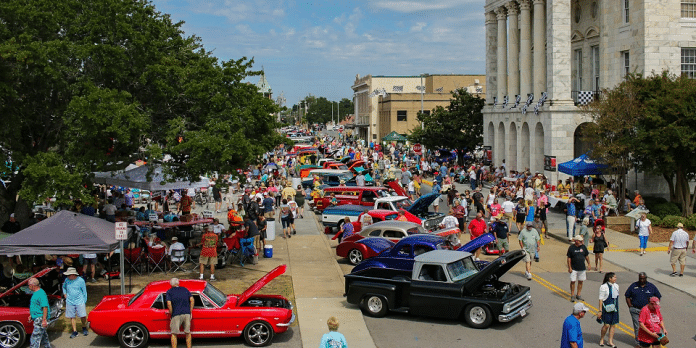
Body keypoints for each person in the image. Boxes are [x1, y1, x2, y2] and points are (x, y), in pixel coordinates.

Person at [625, 272, 662, 347]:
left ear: (646, 278)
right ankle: (639, 343)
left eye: (643, 278)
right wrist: (630, 306)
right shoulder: (633, 286)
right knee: (638, 327)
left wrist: (654, 307)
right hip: (636, 310)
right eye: (640, 278)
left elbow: (658, 296)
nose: (642, 280)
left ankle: (651, 340)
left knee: (650, 326)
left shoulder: (651, 286)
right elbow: (627, 295)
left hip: (647, 312)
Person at [166, 278, 194, 348]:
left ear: (171, 284)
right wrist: (190, 311)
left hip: (176, 314)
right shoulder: (185, 289)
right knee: (188, 332)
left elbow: (169, 303)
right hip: (186, 314)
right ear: (178, 283)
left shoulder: (169, 292)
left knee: (174, 334)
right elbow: (192, 300)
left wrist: (171, 312)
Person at [62, 267, 88, 338]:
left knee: (83, 315)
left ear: (73, 274)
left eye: (68, 275)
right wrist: (65, 294)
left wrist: (84, 301)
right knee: (72, 316)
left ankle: (84, 327)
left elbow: (84, 291)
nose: (67, 276)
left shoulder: (81, 280)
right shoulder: (66, 280)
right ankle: (75, 331)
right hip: (70, 301)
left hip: (80, 300)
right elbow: (63, 287)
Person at [598, 272, 619, 348]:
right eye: (614, 277)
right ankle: (602, 338)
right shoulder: (603, 287)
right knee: (606, 325)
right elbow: (601, 299)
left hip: (614, 308)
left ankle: (610, 341)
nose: (615, 279)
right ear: (610, 278)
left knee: (613, 325)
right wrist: (600, 310)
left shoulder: (616, 286)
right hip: (606, 308)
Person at [28, 277, 51, 348]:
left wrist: (44, 320)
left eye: (29, 285)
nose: (28, 286)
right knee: (44, 338)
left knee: (35, 338)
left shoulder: (41, 294)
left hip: (40, 318)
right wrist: (31, 315)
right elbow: (35, 306)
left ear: (33, 285)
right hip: (37, 317)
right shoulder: (36, 293)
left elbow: (45, 307)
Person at [567, 235, 591, 302]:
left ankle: (578, 294)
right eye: (580, 241)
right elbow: (569, 258)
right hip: (574, 268)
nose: (582, 242)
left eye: (582, 241)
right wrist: (570, 267)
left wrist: (589, 264)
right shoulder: (571, 248)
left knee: (581, 281)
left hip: (582, 268)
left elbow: (586, 256)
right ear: (576, 241)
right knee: (573, 281)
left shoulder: (583, 247)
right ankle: (572, 295)